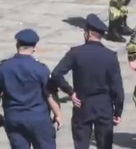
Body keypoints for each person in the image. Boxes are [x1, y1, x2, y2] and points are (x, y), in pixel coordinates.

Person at [51, 14, 124, 149]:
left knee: (81, 143)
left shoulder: (75, 53)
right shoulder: (110, 56)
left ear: (88, 32)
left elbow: (56, 74)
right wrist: (118, 111)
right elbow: (117, 87)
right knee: (104, 145)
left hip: (82, 104)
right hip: (104, 106)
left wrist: (70, 92)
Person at [0, 29, 62, 149]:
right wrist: (58, 114)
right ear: (34, 47)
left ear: (17, 45)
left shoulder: (2, 68)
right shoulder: (40, 69)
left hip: (14, 118)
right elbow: (49, 94)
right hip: (38, 118)